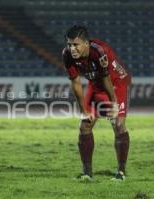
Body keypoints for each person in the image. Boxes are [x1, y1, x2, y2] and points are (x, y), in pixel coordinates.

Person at [62, 25, 131, 181]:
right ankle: (87, 173)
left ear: (86, 43)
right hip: (95, 85)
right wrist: (83, 110)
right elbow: (76, 83)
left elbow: (107, 79)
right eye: (69, 44)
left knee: (118, 125)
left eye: (76, 44)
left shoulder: (99, 51)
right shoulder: (67, 54)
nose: (72, 48)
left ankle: (121, 172)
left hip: (116, 84)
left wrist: (113, 103)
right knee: (84, 125)